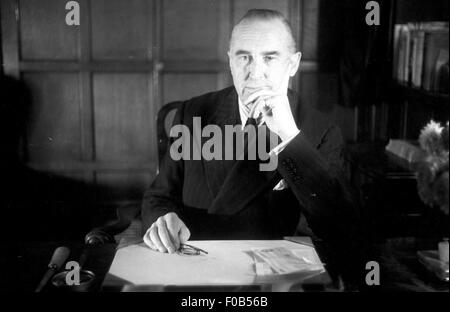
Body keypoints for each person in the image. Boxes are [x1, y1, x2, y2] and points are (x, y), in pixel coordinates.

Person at [141, 9, 364, 277]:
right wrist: (163, 221)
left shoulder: (321, 129)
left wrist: (290, 136)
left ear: (292, 64)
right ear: (230, 61)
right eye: (244, 57)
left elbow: (340, 225)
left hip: (275, 277)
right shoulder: (194, 112)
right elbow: (159, 196)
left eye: (270, 58)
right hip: (193, 265)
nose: (255, 72)